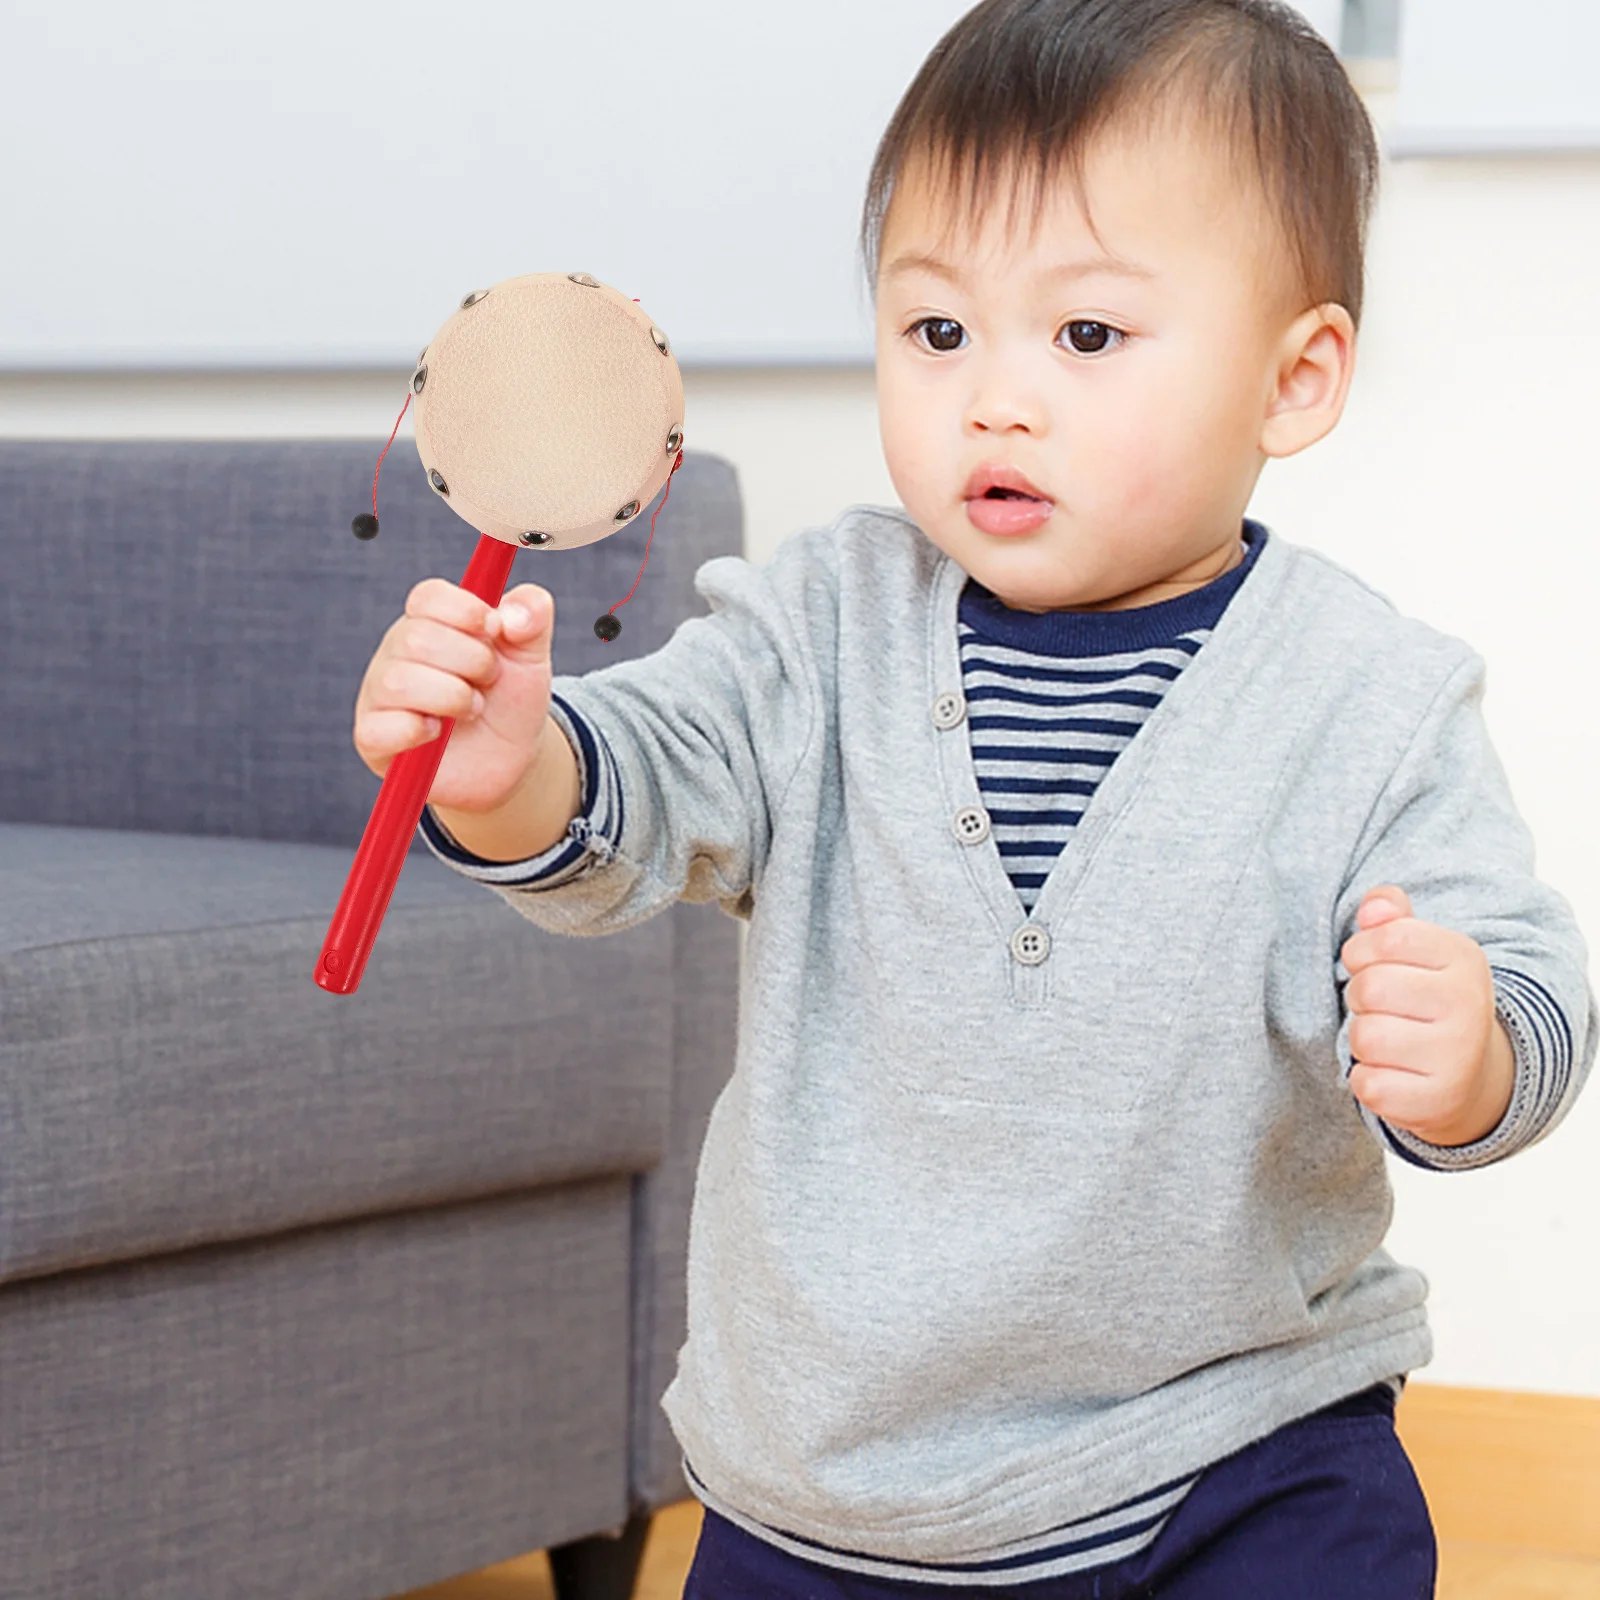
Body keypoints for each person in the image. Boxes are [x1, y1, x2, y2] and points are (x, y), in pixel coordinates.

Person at [350, 3, 1596, 1594]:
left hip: (1230, 1453)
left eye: (1085, 337)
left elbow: (1528, 976)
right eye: (938, 332)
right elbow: (640, 795)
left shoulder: (1369, 697)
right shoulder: (821, 629)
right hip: (832, 1487)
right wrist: (516, 769)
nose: (993, 400)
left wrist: (1474, 1047)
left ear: (1295, 381)